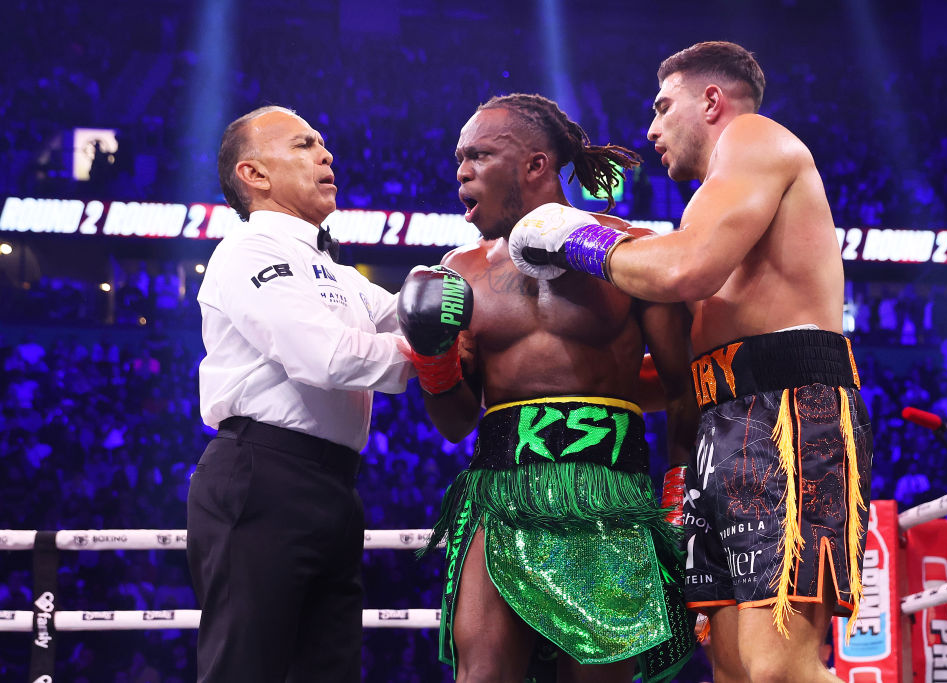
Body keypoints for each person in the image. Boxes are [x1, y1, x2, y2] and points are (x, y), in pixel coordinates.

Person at [507, 42, 873, 682]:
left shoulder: (755, 137)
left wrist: (574, 236)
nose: (649, 129)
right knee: (731, 668)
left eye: (661, 106)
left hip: (788, 415)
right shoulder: (714, 206)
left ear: (711, 102)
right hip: (721, 425)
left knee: (777, 668)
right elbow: (683, 366)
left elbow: (682, 268)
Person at [400, 93, 697, 683]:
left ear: (535, 165)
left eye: (479, 155)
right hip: (500, 490)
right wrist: (433, 360)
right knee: (481, 672)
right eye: (460, 158)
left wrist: (678, 488)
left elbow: (683, 387)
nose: (462, 171)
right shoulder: (459, 271)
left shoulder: (628, 253)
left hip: (610, 493)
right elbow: (457, 422)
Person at [187, 105, 415, 682]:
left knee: (327, 669)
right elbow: (329, 358)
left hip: (335, 484)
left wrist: (484, 277)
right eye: (303, 144)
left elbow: (413, 318)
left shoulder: (338, 274)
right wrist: (432, 357)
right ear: (255, 175)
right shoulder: (247, 250)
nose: (326, 154)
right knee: (247, 669)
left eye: (323, 143)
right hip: (263, 474)